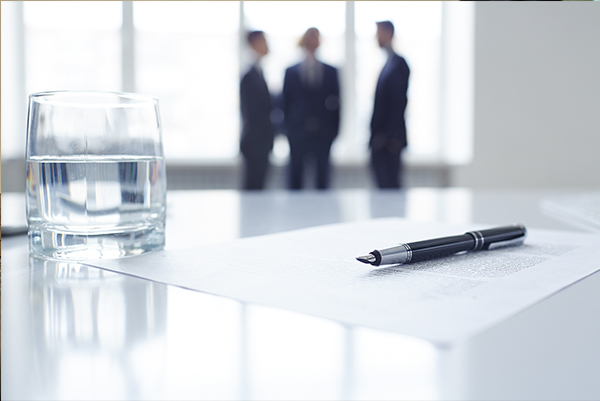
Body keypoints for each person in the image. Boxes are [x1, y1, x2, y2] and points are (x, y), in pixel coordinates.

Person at [282, 27, 340, 190]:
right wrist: (288, 130)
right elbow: (285, 104)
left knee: (323, 181)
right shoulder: (291, 72)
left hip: (323, 134)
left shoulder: (331, 71)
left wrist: (334, 131)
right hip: (298, 133)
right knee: (295, 180)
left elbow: (336, 103)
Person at [370, 21, 410, 189]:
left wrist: (391, 136)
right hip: (380, 141)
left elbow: (399, 102)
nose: (376, 38)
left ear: (388, 34)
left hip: (390, 142)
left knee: (391, 187)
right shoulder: (388, 64)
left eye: (379, 33)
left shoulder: (398, 65)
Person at [240, 30, 275, 190]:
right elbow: (253, 113)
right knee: (253, 187)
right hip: (255, 143)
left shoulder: (259, 73)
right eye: (264, 41)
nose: (267, 45)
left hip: (262, 142)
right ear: (254, 44)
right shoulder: (249, 76)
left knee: (259, 186)